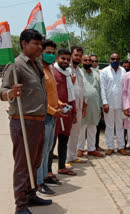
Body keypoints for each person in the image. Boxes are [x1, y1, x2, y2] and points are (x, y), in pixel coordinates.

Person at [0, 29, 52, 214]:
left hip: (38, 121)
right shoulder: (16, 65)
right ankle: (20, 206)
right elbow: (2, 91)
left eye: (41, 44)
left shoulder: (36, 65)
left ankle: (31, 195)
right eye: (36, 44)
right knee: (23, 164)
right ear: (24, 44)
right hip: (23, 122)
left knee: (35, 162)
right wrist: (10, 94)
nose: (40, 47)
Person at [37, 40, 67, 196]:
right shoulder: (38, 70)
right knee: (41, 151)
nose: (50, 55)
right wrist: (52, 110)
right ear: (41, 51)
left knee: (48, 149)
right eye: (47, 52)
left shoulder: (49, 69)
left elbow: (52, 93)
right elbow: (39, 97)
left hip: (53, 115)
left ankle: (44, 177)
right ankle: (39, 182)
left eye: (52, 53)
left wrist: (60, 104)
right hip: (44, 115)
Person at [52, 49, 78, 176]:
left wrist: (74, 113)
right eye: (63, 58)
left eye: (68, 59)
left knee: (64, 142)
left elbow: (71, 95)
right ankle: (47, 172)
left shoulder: (68, 74)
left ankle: (62, 167)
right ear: (57, 58)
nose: (66, 61)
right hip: (54, 114)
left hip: (67, 114)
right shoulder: (52, 72)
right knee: (50, 144)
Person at [76, 55, 104, 157]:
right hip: (83, 105)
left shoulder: (96, 74)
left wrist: (101, 105)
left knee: (93, 128)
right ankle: (80, 148)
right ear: (81, 61)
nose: (88, 62)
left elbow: (100, 90)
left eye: (90, 60)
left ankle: (92, 149)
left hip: (95, 105)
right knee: (82, 128)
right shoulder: (78, 73)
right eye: (86, 60)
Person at [100, 53, 127, 155]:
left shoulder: (123, 71)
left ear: (120, 60)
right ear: (109, 60)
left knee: (120, 126)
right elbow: (102, 88)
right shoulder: (104, 71)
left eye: (117, 59)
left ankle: (121, 147)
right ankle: (110, 147)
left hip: (120, 103)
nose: (115, 61)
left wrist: (125, 104)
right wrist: (105, 102)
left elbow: (125, 88)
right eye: (113, 59)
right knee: (110, 126)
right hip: (109, 104)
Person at [66, 46, 87, 165]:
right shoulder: (66, 69)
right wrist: (71, 82)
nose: (78, 58)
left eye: (80, 56)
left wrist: (83, 105)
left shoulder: (78, 70)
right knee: (67, 133)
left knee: (76, 132)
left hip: (79, 106)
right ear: (71, 56)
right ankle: (66, 158)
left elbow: (81, 90)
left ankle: (72, 155)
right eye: (76, 55)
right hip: (69, 106)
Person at [91, 54, 105, 152]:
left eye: (96, 61)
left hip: (98, 104)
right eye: (92, 61)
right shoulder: (84, 72)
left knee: (97, 126)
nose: (94, 63)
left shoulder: (101, 73)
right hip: (88, 104)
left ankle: (96, 145)